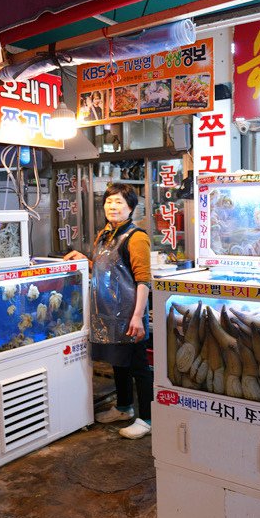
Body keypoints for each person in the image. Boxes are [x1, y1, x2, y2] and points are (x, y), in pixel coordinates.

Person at [64, 183, 153, 439]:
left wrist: (138, 317)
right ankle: (124, 407)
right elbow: (106, 268)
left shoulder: (137, 238)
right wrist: (85, 261)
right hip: (106, 313)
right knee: (118, 363)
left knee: (138, 366)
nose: (113, 207)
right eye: (109, 202)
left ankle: (146, 419)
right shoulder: (105, 233)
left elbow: (143, 280)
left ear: (131, 208)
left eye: (119, 203)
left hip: (128, 314)